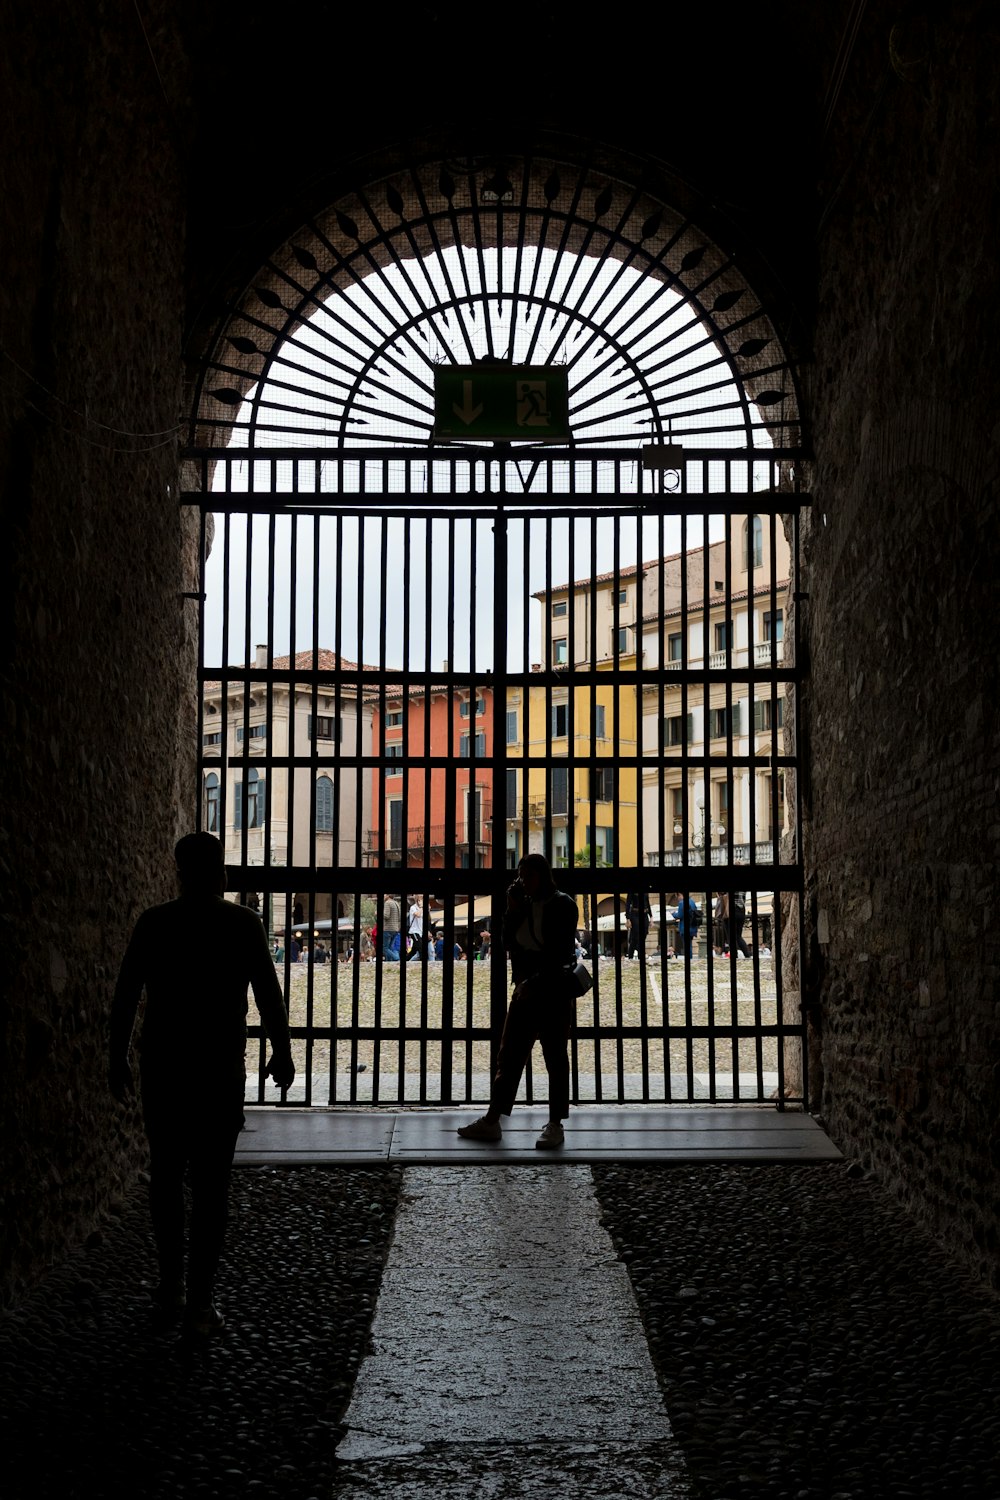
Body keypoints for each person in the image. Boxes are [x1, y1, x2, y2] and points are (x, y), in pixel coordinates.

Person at [109, 832, 294, 1338]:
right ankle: (200, 1304)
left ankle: (170, 1287)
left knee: (166, 1177)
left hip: (164, 1069)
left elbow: (126, 994)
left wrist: (116, 1056)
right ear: (223, 873)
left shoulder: (155, 923)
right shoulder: (243, 924)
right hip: (218, 1072)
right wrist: (281, 1050)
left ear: (178, 870)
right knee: (212, 1187)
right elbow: (268, 995)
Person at [458, 852, 578, 1150]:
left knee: (555, 1059)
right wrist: (511, 911)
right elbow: (508, 944)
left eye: (528, 875)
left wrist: (533, 982)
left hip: (551, 992)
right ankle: (492, 1119)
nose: (523, 881)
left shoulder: (563, 905)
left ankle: (555, 1123)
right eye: (520, 876)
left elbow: (560, 953)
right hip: (526, 990)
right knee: (509, 1055)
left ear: (542, 875)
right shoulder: (523, 905)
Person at [673, 892, 701, 960]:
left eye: (677, 897)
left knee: (687, 945)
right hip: (692, 927)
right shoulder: (692, 902)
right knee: (689, 944)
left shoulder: (681, 903)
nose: (678, 899)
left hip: (684, 928)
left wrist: (673, 914)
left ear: (680, 894)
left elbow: (680, 915)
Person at [625, 890, 651, 961]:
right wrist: (628, 918)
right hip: (635, 914)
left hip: (645, 915)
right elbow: (628, 903)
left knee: (644, 933)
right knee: (637, 935)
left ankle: (634, 954)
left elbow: (647, 902)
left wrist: (651, 916)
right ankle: (637, 956)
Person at [381, 894, 401, 961]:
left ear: (388, 896)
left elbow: (386, 915)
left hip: (388, 928)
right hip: (395, 929)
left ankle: (396, 958)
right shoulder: (396, 903)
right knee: (390, 947)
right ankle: (388, 962)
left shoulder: (387, 903)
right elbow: (399, 917)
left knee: (384, 948)